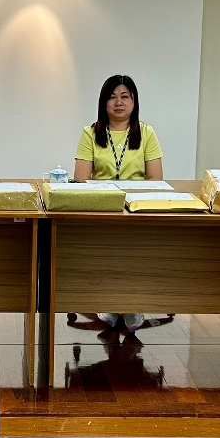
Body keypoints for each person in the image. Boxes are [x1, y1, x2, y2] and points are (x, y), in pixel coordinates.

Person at [73, 75, 164, 333]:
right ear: (104, 103)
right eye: (112, 97)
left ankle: (133, 303)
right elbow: (81, 179)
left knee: (134, 252)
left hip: (137, 208)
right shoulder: (90, 133)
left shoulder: (146, 133)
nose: (119, 102)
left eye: (125, 97)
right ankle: (109, 302)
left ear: (134, 101)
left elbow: (156, 179)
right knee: (107, 252)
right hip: (102, 207)